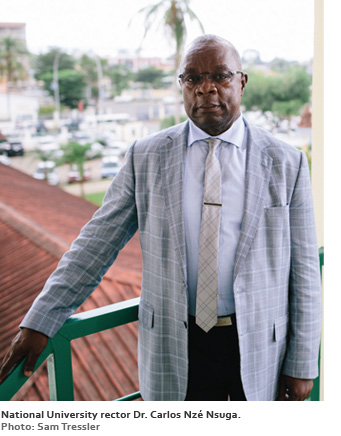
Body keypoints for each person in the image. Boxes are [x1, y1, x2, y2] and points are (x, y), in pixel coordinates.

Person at [0, 35, 322, 401]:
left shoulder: (286, 162)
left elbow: (306, 271)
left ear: (242, 81)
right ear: (182, 85)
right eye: (193, 78)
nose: (206, 88)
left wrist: (302, 364)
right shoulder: (146, 156)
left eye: (220, 75)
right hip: (174, 344)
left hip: (258, 345)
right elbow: (95, 244)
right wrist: (40, 319)